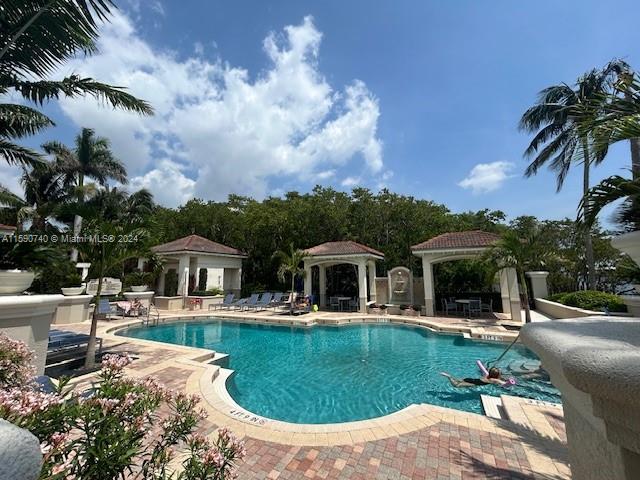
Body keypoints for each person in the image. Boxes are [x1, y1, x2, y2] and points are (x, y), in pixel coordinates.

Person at [440, 367, 507, 388]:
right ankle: (448, 376)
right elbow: (501, 382)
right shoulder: (493, 380)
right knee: (456, 385)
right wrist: (506, 382)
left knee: (457, 380)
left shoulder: (488, 376)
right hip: (473, 383)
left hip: (470, 379)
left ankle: (450, 376)